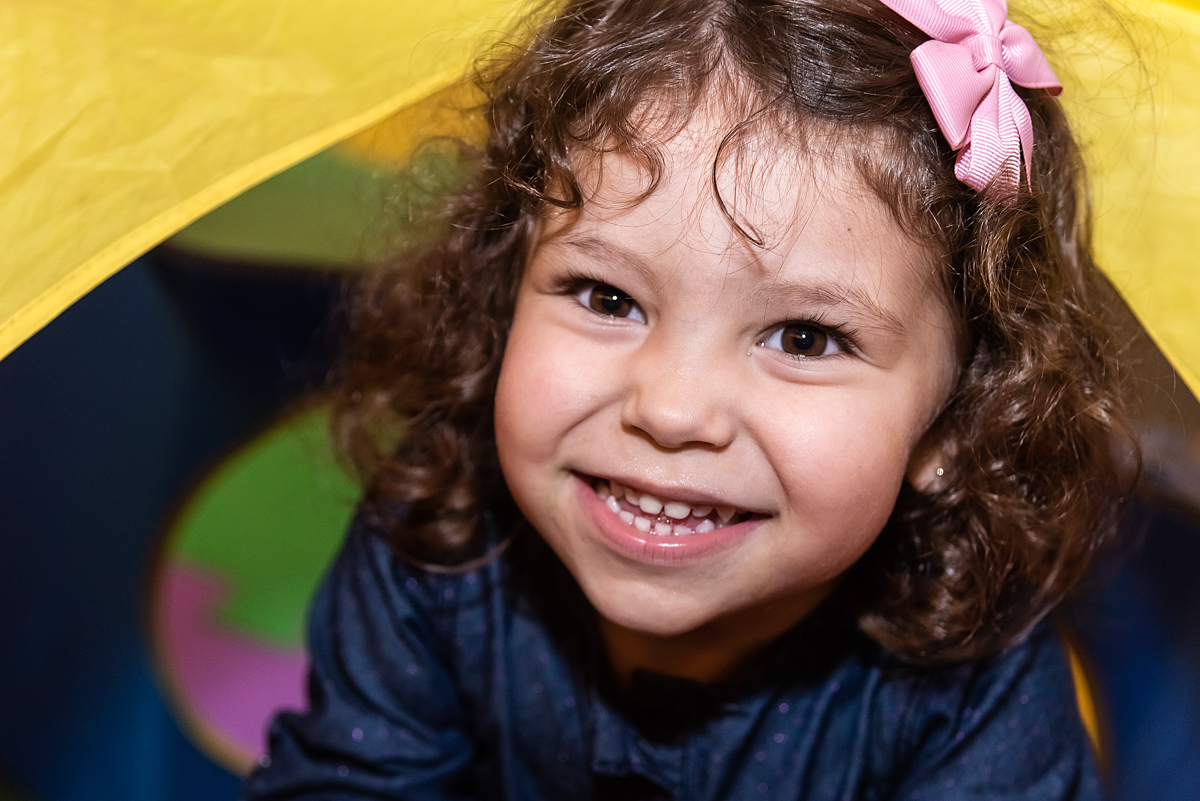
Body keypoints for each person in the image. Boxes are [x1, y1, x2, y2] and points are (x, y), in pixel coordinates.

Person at [244, 0, 1135, 797]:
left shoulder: (971, 677)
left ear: (957, 420)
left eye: (803, 338)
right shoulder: (435, 540)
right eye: (607, 297)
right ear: (501, 292)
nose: (669, 411)